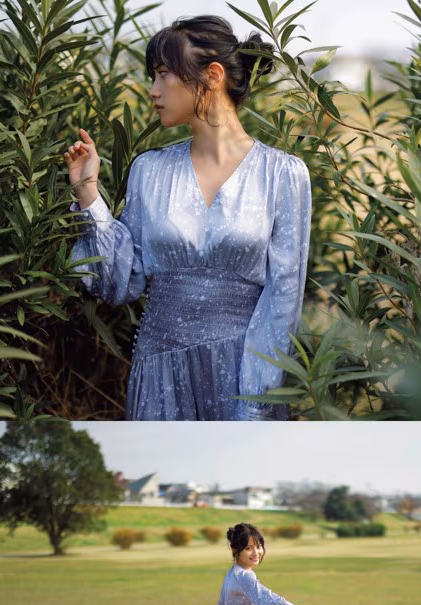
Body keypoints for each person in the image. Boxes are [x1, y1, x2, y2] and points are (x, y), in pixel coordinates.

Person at [64, 15, 312, 421]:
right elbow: (121, 281)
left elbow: (283, 301)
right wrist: (88, 194)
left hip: (243, 377)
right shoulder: (149, 170)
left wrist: (256, 402)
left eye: (163, 75)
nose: (153, 90)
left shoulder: (282, 175)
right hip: (160, 374)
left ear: (212, 75)